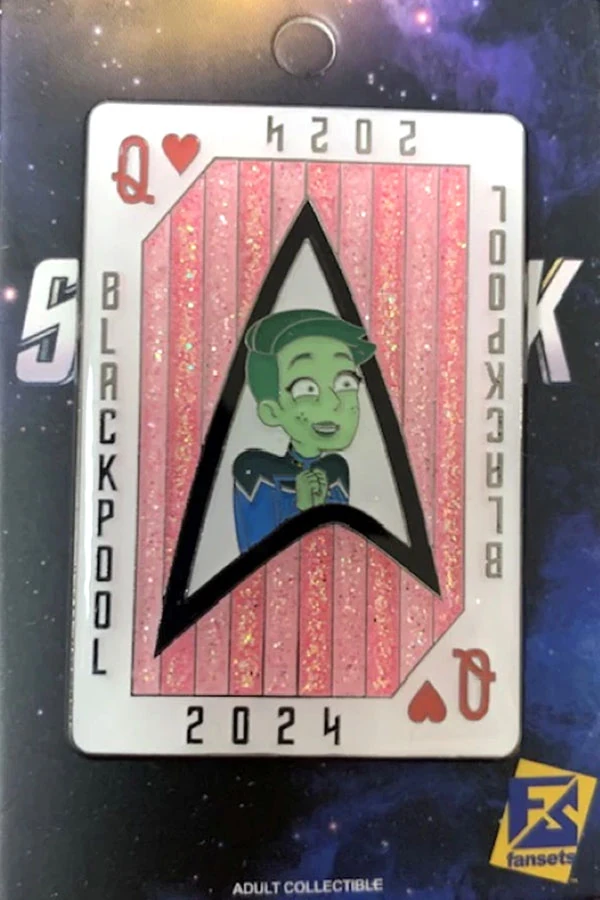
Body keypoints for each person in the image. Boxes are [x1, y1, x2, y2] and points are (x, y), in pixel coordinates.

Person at [233, 308, 376, 553]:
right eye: (306, 389)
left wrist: (317, 512)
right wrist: (301, 510)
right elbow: (254, 556)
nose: (333, 402)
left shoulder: (336, 471)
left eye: (345, 383)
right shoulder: (256, 472)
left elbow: (339, 554)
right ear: (271, 411)